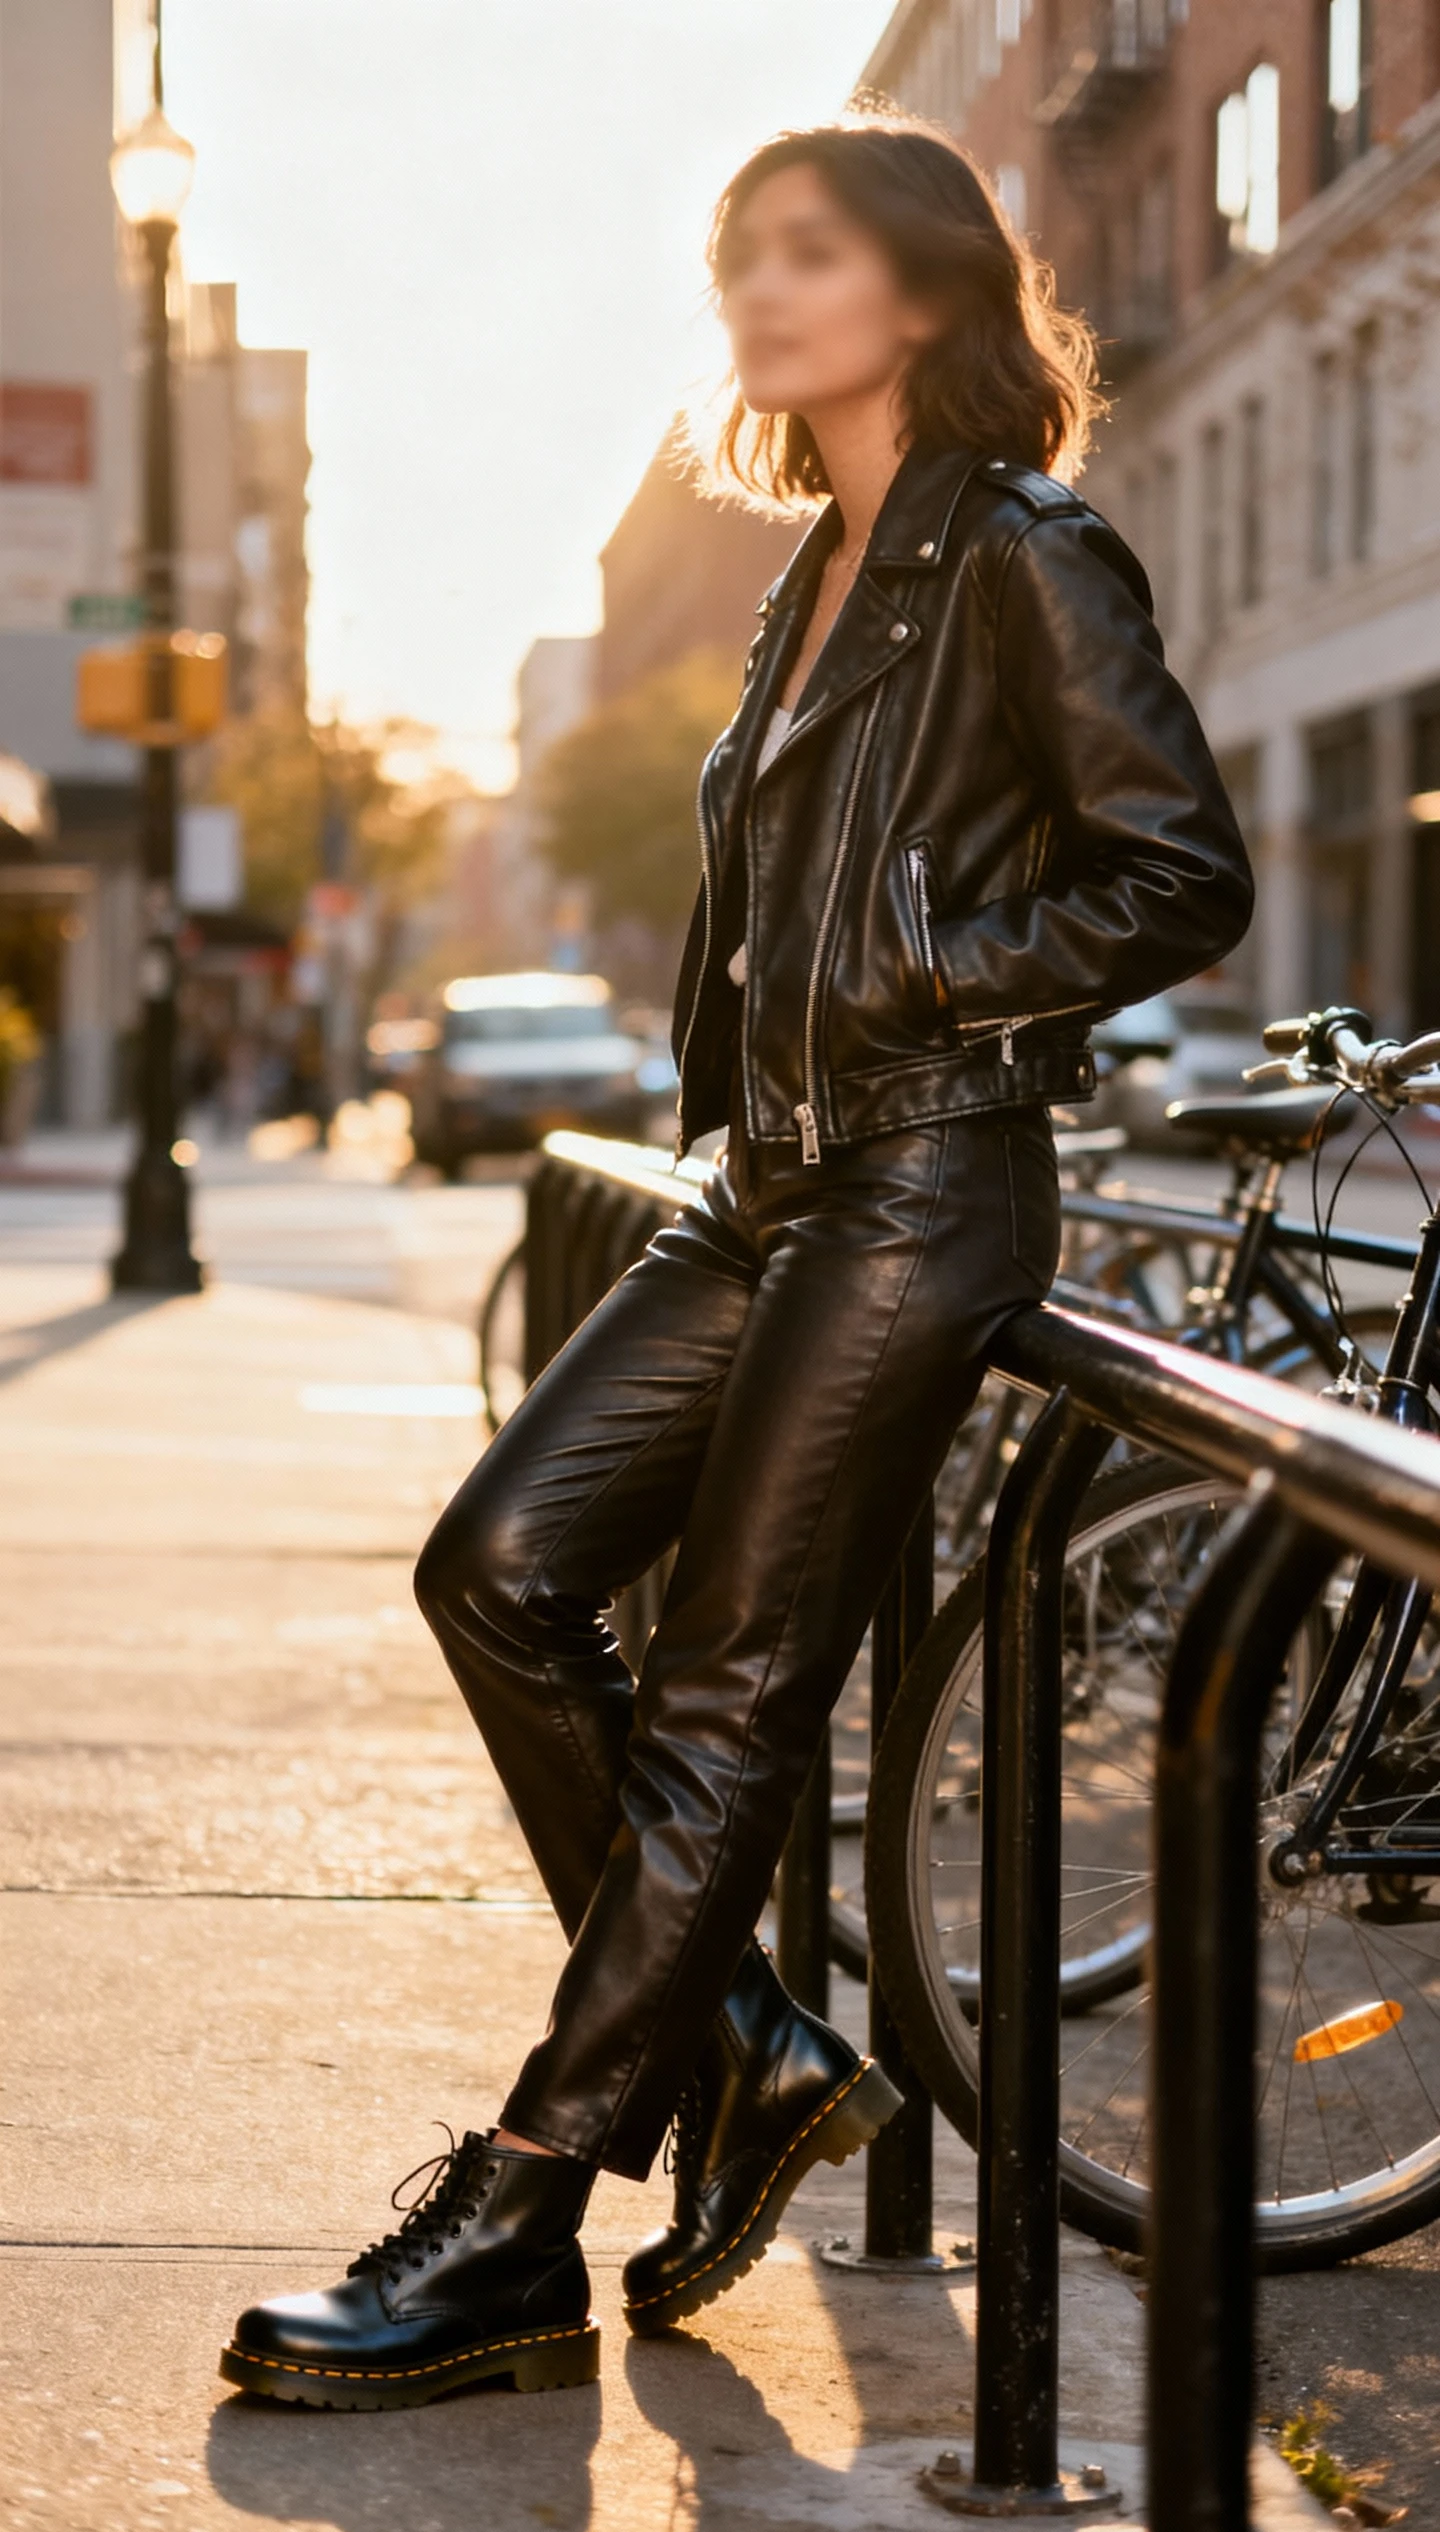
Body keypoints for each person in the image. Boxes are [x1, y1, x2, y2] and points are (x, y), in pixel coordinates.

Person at [221, 117, 1252, 2412]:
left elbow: (1178, 871)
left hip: (921, 1181)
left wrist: (914, 969)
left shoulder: (1023, 550)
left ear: (924, 291)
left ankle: (515, 2209)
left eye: (807, 254)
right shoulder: (809, 570)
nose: (759, 295)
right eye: (736, 261)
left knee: (725, 1691)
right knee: (496, 1564)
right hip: (760, 1184)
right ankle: (753, 2042)